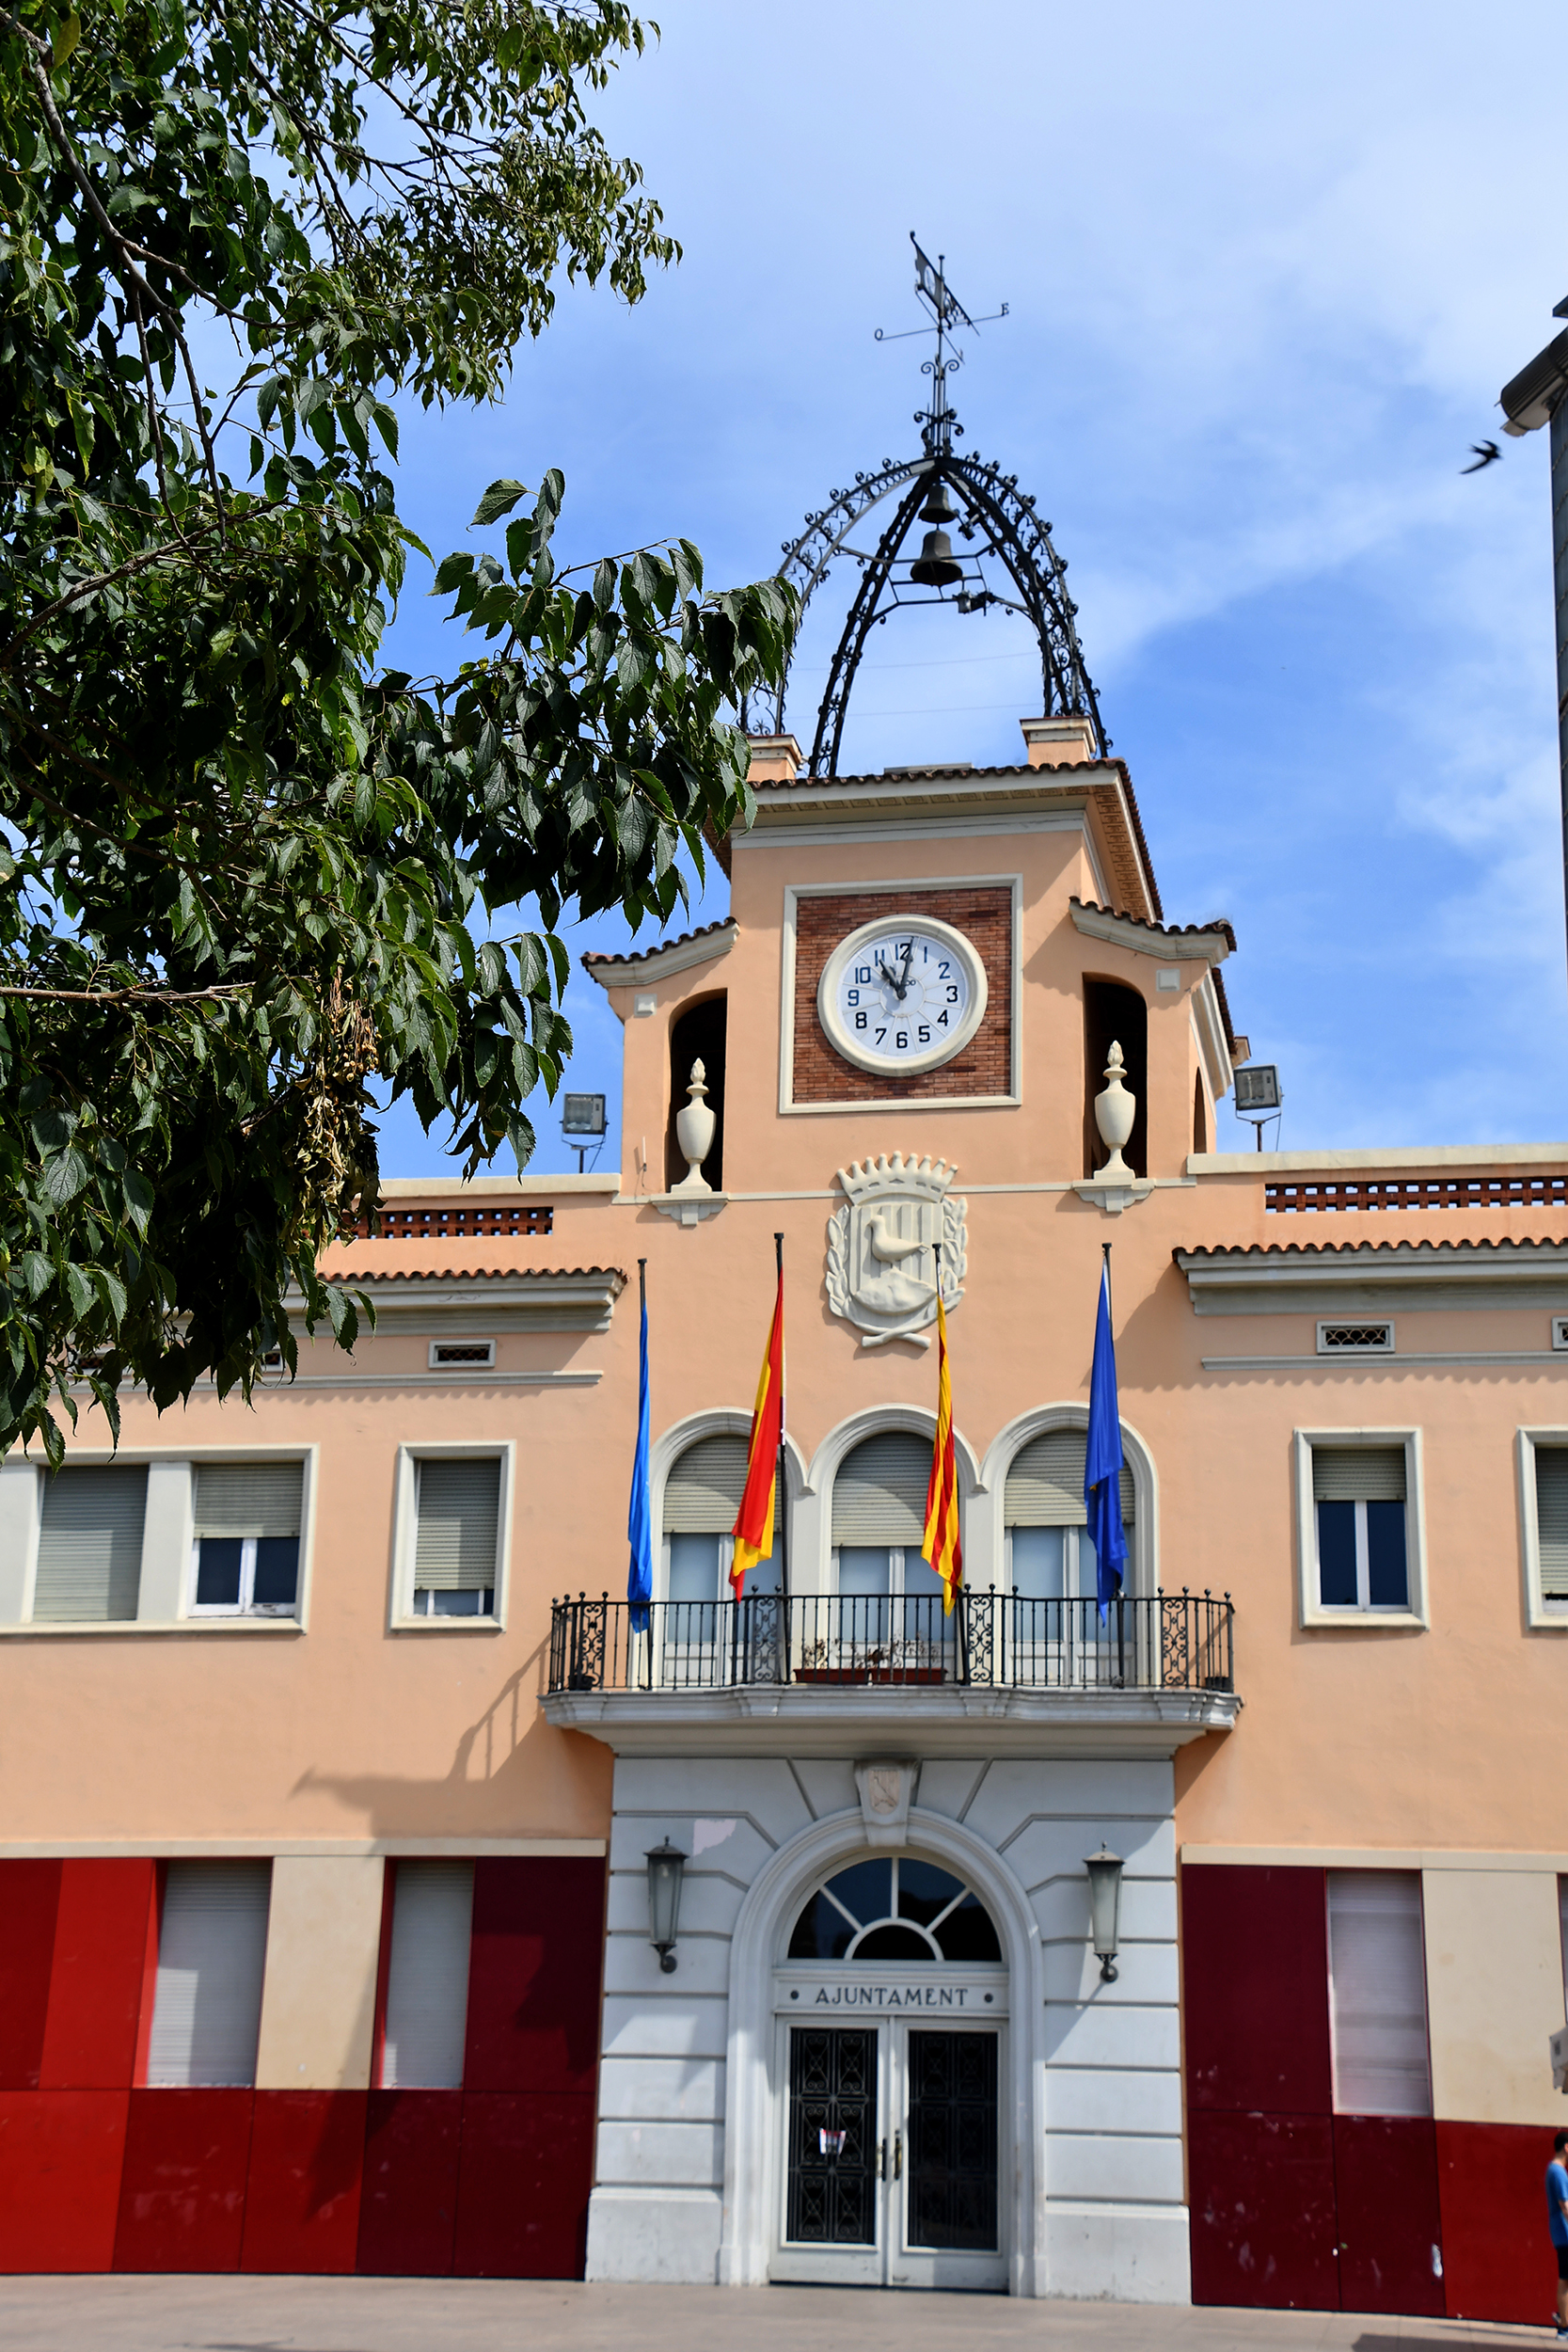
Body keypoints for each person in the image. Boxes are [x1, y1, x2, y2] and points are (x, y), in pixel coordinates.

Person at [1547, 2128, 1568, 2334]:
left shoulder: (1553, 2170)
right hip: (1565, 2234)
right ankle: (1564, 2326)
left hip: (1561, 2234)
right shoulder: (1559, 2172)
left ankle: (1564, 2322)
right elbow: (1565, 2206)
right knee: (1565, 2279)